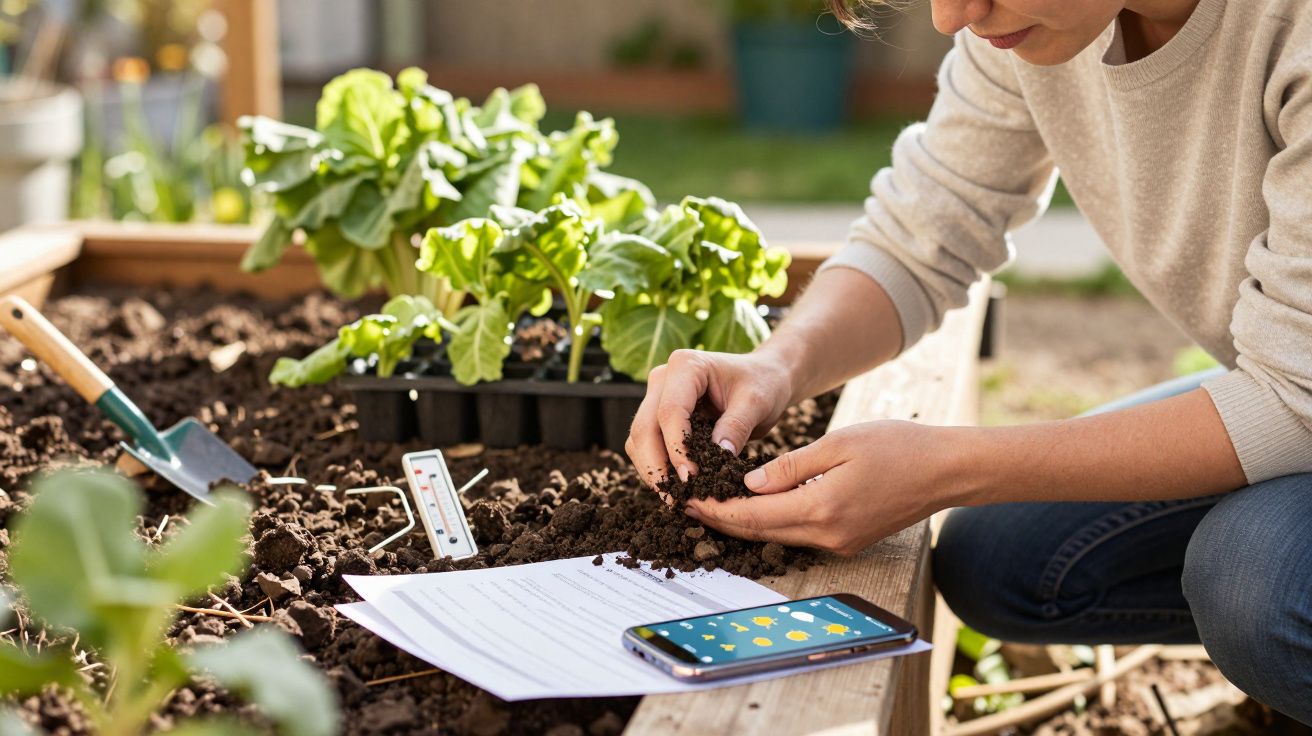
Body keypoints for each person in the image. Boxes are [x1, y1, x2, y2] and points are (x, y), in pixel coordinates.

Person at [624, 0, 1312, 724]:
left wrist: (950, 466)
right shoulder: (1034, 25)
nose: (953, 17)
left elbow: (1295, 398)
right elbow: (926, 229)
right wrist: (776, 364)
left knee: (1252, 582)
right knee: (998, 561)